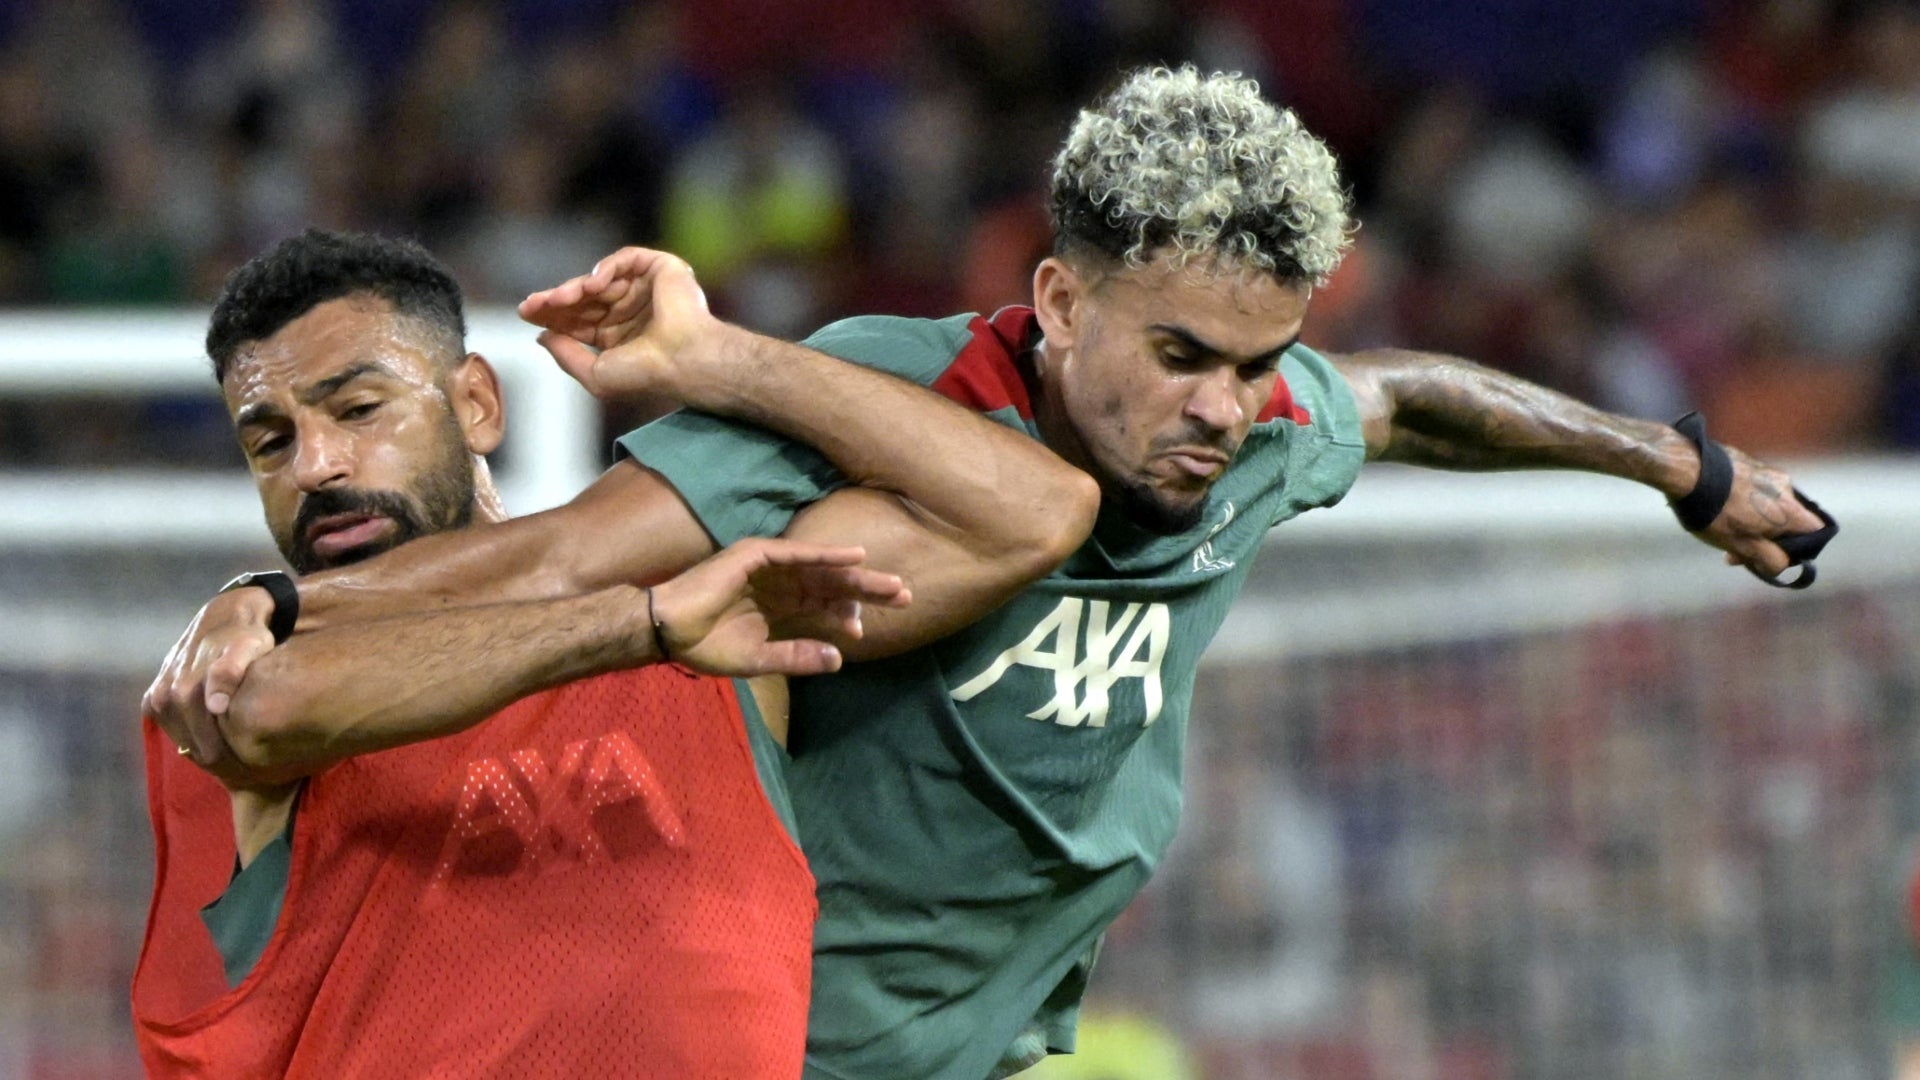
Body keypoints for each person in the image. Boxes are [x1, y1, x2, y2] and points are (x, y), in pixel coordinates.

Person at [147, 67, 1834, 1080]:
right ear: (1063, 298)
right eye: (1184, 354)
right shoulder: (873, 400)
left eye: (1257, 361)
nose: (1226, 410)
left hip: (990, 1046)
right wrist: (274, 602)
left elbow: (1407, 403)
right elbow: (563, 552)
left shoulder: (1259, 419)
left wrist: (1678, 466)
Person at [133, 229, 1099, 1078]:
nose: (316, 466)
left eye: (358, 410)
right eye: (270, 442)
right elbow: (259, 712)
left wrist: (717, 359)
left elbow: (1036, 512)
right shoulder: (256, 657)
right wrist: (640, 626)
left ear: (476, 404)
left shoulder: (719, 602)